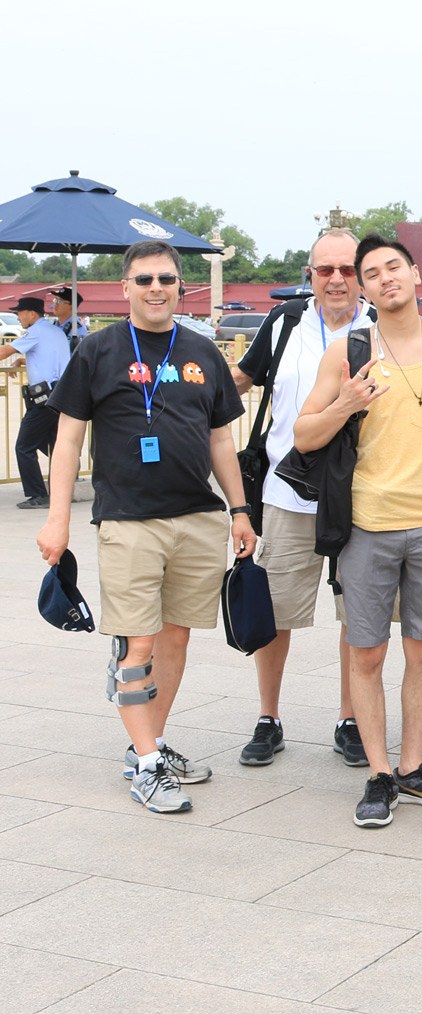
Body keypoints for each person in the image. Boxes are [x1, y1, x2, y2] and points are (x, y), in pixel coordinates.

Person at [294, 233, 422, 828]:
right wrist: (346, 403)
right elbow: (305, 435)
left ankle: (413, 769)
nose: (386, 278)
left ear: (416, 274)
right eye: (373, 273)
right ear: (362, 288)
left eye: (395, 267)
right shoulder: (347, 348)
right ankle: (379, 774)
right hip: (366, 523)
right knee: (365, 653)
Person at [36, 239, 256, 812]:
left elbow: (220, 441)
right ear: (126, 288)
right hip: (129, 521)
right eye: (144, 280)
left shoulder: (203, 351)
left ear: (182, 286)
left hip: (196, 518)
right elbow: (66, 441)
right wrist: (57, 519)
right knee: (139, 642)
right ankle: (149, 766)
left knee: (177, 637)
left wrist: (239, 509)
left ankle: (149, 746)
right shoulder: (97, 351)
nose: (156, 288)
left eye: (166, 279)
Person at [230, 229, 376, 766]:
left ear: (362, 274)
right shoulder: (286, 322)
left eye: (347, 269)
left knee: (357, 616)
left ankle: (349, 718)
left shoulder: (382, 326)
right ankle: (268, 717)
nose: (336, 280)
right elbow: (241, 380)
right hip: (286, 493)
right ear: (308, 274)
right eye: (324, 270)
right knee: (275, 612)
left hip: (363, 497)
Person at [2, 297, 70, 509]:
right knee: (54, 446)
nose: (18, 317)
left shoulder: (36, 332)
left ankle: (38, 495)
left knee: (24, 447)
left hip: (45, 400)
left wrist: (16, 356)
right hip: (60, 396)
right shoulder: (54, 332)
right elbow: (47, 357)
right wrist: (23, 360)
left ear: (32, 313)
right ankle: (61, 488)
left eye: (19, 313)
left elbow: (5, 351)